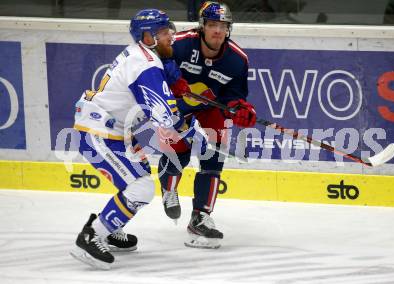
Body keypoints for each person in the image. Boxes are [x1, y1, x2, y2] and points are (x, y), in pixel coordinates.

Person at [69, 9, 208, 270]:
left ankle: (111, 228)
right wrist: (198, 123)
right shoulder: (146, 66)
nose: (171, 37)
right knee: (141, 188)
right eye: (164, 32)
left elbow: (154, 104)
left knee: (139, 181)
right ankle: (92, 235)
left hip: (112, 129)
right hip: (98, 131)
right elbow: (166, 120)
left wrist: (172, 80)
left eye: (170, 30)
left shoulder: (143, 56)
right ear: (147, 37)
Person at [158, 1, 256, 249]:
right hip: (176, 102)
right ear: (202, 27)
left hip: (211, 105)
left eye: (223, 26)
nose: (217, 31)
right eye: (212, 25)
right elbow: (154, 63)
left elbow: (234, 97)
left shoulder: (237, 60)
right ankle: (169, 187)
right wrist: (172, 78)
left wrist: (240, 110)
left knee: (215, 154)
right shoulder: (179, 44)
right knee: (178, 155)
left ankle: (200, 217)